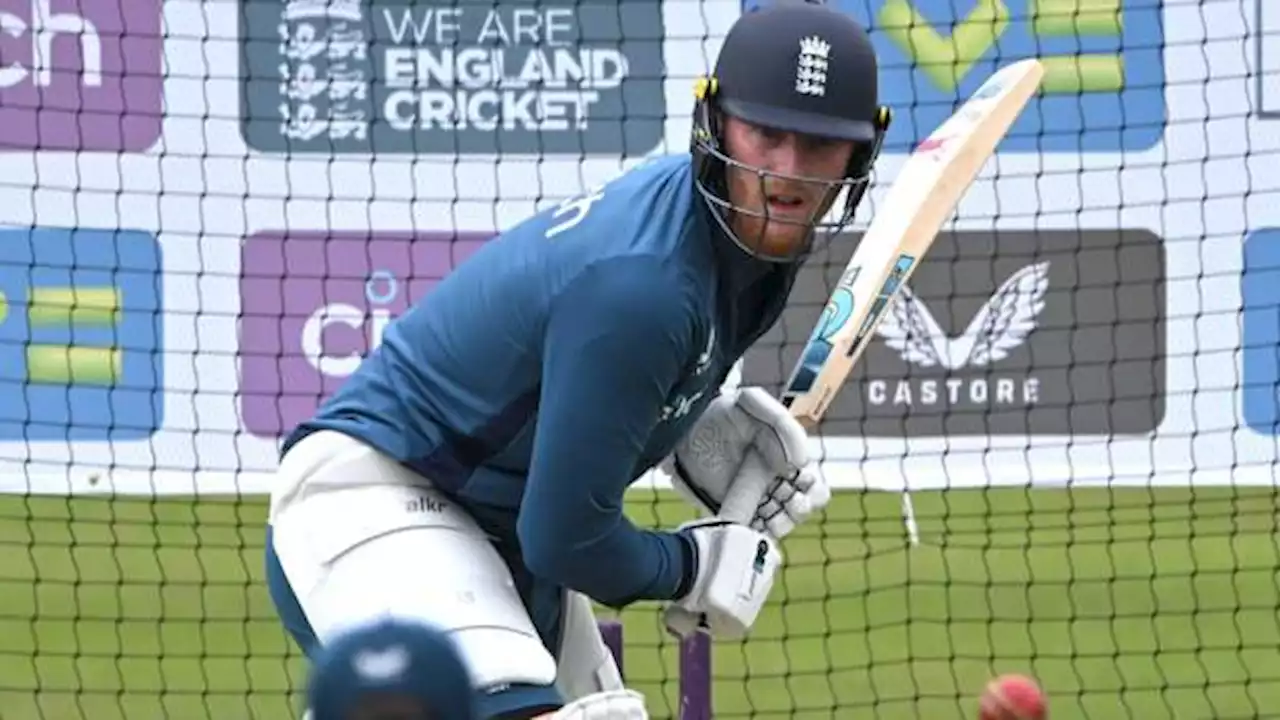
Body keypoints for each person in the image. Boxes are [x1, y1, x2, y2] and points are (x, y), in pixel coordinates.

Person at [264, 1, 890, 718]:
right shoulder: (645, 286)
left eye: (818, 145)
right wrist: (691, 566)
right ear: (715, 123)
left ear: (858, 155)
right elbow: (566, 537)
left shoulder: (746, 243)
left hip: (491, 526)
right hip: (378, 495)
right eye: (766, 134)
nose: (786, 173)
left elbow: (567, 407)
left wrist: (685, 433)